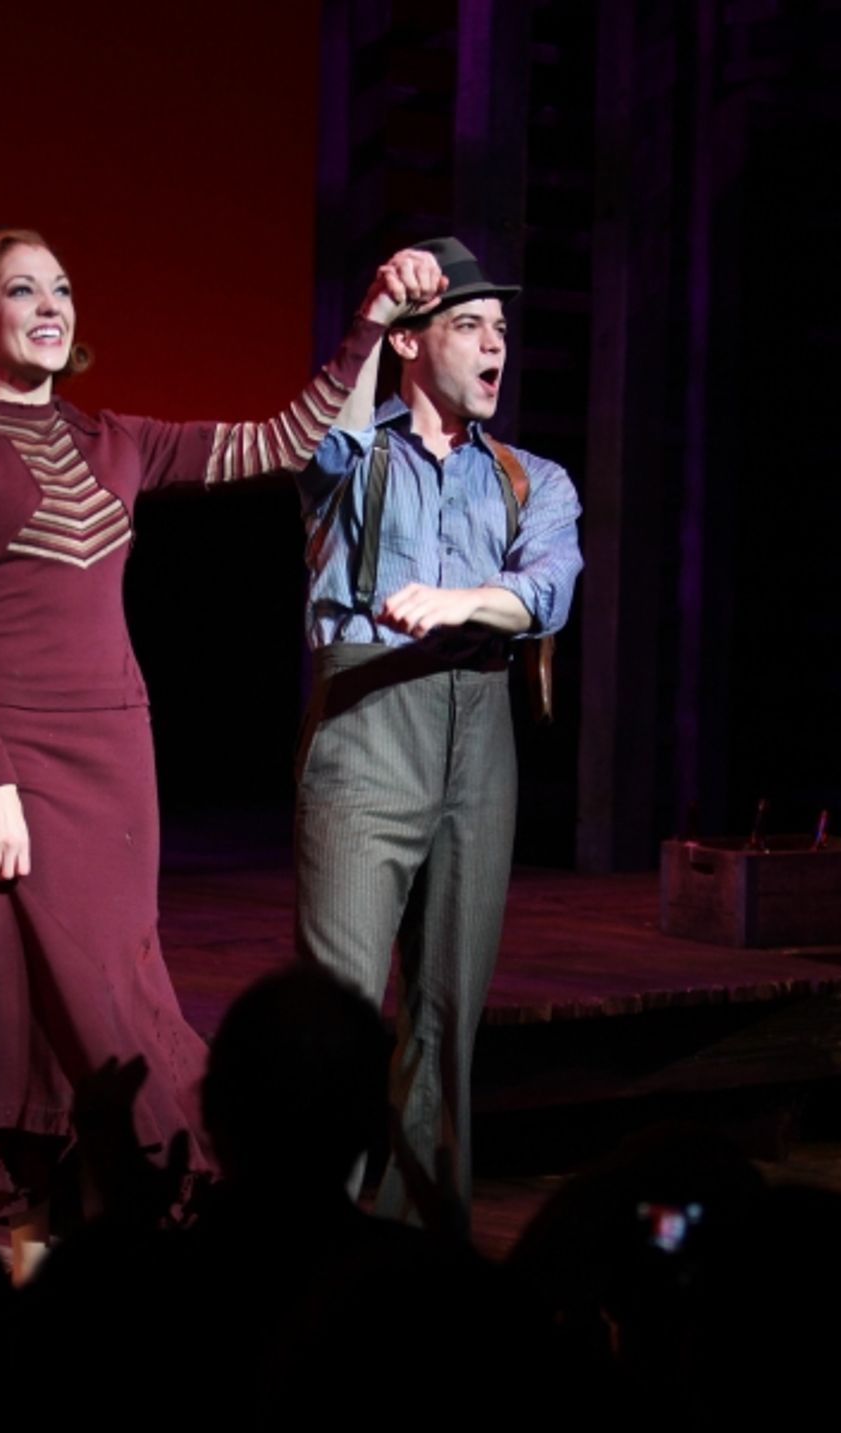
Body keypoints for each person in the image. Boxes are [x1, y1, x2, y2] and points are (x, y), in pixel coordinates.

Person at [0, 228, 443, 1259]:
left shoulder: (118, 439)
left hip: (118, 758)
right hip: (22, 764)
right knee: (91, 1000)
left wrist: (370, 321)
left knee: (78, 997)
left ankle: (51, 1246)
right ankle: (180, 1191)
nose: (51, 306)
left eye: (61, 287)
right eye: (21, 290)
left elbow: (286, 438)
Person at [295, 236, 583, 1232]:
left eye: (501, 328)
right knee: (334, 1014)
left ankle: (419, 1251)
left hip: (479, 731)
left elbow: (545, 589)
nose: (496, 344)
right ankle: (310, 1245)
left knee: (447, 1017)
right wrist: (373, 311)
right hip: (369, 727)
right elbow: (312, 444)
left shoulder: (531, 478)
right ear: (413, 343)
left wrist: (459, 601)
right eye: (469, 326)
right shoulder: (354, 456)